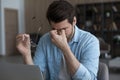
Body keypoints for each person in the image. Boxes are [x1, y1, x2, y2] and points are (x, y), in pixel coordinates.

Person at [16, 1, 100, 80]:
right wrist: (26, 54)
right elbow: (34, 76)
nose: (59, 33)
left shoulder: (90, 41)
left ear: (74, 21)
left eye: (64, 29)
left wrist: (65, 48)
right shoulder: (45, 40)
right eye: (54, 29)